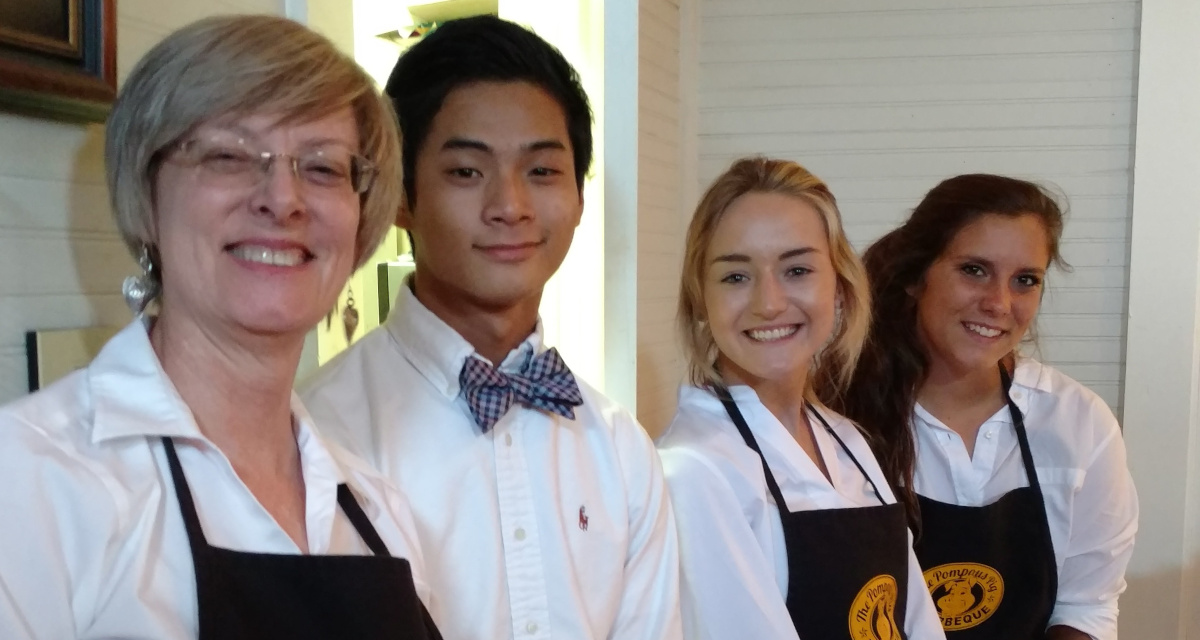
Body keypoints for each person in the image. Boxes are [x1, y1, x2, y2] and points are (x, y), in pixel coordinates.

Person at [0, 15, 441, 640]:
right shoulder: (29, 481)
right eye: (228, 156)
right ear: (146, 195)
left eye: (321, 167)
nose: (282, 199)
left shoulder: (378, 511)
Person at [299, 15, 681, 640]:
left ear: (580, 198)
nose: (510, 206)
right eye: (466, 172)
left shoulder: (620, 449)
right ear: (398, 195)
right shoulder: (319, 434)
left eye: (542, 171)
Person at [834, 174, 1138, 640]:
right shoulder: (836, 420)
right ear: (917, 277)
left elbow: (1086, 606)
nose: (999, 303)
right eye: (974, 269)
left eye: (1025, 280)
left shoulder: (1078, 423)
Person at [656, 157, 946, 640]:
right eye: (735, 276)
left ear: (839, 287)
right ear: (699, 299)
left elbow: (916, 622)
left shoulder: (847, 439)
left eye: (796, 270)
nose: (768, 302)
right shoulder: (694, 471)